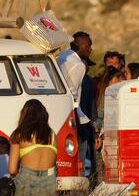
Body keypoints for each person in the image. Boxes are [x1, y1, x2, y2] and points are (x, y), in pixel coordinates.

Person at [57, 31, 93, 175]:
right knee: (81, 153)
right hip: (73, 113)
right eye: (88, 45)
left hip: (59, 109)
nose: (90, 49)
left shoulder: (61, 57)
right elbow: (73, 93)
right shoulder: (79, 65)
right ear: (78, 45)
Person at [8, 99, 57, 196]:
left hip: (26, 180)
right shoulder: (52, 135)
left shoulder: (19, 135)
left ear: (24, 115)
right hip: (49, 179)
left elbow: (12, 169)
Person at [95, 66, 124, 183]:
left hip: (106, 139)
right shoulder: (107, 96)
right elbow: (100, 117)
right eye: (118, 80)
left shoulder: (107, 95)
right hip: (104, 140)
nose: (120, 83)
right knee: (104, 176)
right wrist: (98, 135)